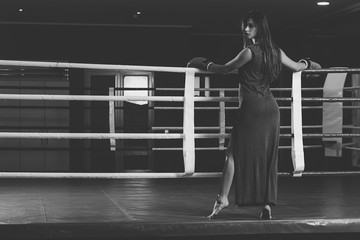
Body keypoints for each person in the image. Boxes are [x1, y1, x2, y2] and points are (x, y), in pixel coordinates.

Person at [187, 10, 321, 220]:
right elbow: (296, 67)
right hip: (271, 109)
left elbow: (222, 70)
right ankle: (266, 205)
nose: (246, 29)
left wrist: (203, 63)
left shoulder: (249, 52)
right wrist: (309, 63)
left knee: (232, 154)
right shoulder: (276, 51)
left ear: (261, 27)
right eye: (245, 25)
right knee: (268, 157)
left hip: (252, 109)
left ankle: (222, 198)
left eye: (250, 25)